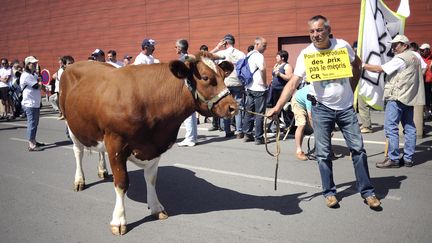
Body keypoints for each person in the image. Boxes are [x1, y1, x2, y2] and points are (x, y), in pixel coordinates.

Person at [267, 15, 380, 208]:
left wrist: (351, 89)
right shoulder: (306, 54)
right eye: (311, 31)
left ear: (328, 30)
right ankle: (329, 192)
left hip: (345, 109)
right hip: (321, 109)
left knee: (359, 150)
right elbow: (293, 82)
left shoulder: (342, 46)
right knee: (323, 154)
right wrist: (277, 107)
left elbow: (357, 65)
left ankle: (368, 192)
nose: (315, 35)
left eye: (319, 30)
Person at [363, 34, 424, 168]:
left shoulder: (400, 59)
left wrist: (363, 65)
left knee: (391, 128)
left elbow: (380, 69)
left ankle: (394, 158)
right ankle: (408, 158)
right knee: (409, 127)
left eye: (396, 45)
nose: (393, 47)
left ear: (405, 46)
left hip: (396, 96)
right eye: (393, 45)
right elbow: (424, 68)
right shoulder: (416, 56)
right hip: (409, 96)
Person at [210, 34, 245, 138]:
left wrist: (217, 47)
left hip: (225, 84)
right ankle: (239, 131)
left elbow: (206, 55)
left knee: (226, 107)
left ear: (225, 43)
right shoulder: (241, 54)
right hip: (238, 83)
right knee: (237, 106)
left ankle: (227, 130)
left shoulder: (221, 53)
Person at [242, 36, 268, 145]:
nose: (265, 48)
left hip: (249, 87)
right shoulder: (259, 56)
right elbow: (262, 69)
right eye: (264, 45)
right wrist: (265, 82)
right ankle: (258, 137)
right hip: (259, 88)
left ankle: (247, 134)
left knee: (249, 112)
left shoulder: (248, 55)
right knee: (259, 114)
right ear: (257, 44)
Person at [176, 39, 197, 147]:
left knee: (187, 115)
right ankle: (193, 137)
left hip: (186, 89)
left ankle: (190, 138)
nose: (175, 48)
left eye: (176, 47)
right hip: (191, 88)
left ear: (180, 48)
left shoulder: (184, 58)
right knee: (191, 115)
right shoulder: (187, 57)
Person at [20, 56, 45, 151]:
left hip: (35, 103)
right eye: (33, 64)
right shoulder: (26, 75)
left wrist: (43, 85)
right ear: (27, 65)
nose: (35, 65)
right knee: (32, 124)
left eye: (35, 63)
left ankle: (34, 141)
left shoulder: (33, 75)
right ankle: (31, 144)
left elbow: (39, 85)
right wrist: (40, 81)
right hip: (29, 104)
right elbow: (36, 86)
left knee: (35, 123)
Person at [269, 50, 294, 133]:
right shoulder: (276, 65)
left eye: (278, 56)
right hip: (275, 90)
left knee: (285, 108)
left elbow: (290, 78)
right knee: (275, 107)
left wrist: (280, 74)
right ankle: (276, 125)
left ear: (282, 58)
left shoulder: (287, 66)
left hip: (283, 90)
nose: (276, 57)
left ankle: (289, 126)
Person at [291, 84, 312, 160]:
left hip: (306, 102)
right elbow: (311, 117)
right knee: (302, 124)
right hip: (298, 103)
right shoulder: (310, 94)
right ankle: (299, 151)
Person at [419, 43, 432, 119]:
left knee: (429, 96)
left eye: (423, 50)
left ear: (427, 50)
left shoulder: (431, 59)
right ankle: (424, 111)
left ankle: (428, 111)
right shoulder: (419, 58)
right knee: (424, 97)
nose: (421, 51)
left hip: (430, 81)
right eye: (420, 50)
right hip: (422, 81)